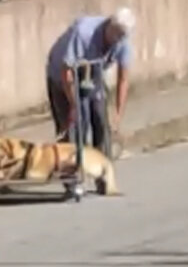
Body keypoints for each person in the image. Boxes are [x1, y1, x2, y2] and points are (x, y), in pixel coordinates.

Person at [45, 8, 135, 157]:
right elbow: (66, 71)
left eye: (122, 36)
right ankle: (71, 167)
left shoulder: (123, 42)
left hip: (91, 71)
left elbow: (123, 79)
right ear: (109, 25)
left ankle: (102, 162)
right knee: (72, 124)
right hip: (63, 72)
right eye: (116, 33)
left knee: (100, 116)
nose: (117, 39)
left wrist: (118, 114)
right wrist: (73, 104)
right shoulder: (84, 33)